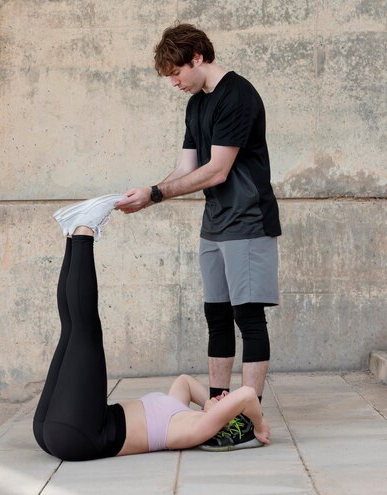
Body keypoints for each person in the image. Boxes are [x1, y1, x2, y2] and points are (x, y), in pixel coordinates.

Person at [115, 23, 281, 450]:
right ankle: (219, 412)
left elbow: (218, 170)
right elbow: (188, 169)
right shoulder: (195, 107)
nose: (173, 82)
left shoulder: (237, 95)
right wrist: (148, 195)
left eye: (176, 73)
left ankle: (248, 416)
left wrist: (157, 193)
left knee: (248, 318)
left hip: (247, 219)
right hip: (215, 220)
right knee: (217, 316)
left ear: (197, 58)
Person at [32, 196, 270, 461]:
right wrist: (209, 401)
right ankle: (72, 233)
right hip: (55, 430)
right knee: (71, 328)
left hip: (84, 435)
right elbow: (185, 382)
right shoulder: (186, 411)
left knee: (84, 331)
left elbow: (247, 395)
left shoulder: (197, 429)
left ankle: (84, 231)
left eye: (226, 411)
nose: (224, 399)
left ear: (224, 422)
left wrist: (258, 427)